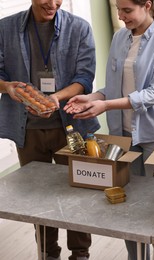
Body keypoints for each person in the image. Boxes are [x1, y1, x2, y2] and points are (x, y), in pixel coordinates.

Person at [63, 0, 154, 259]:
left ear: (147, 5)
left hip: (153, 135)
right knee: (128, 205)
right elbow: (114, 87)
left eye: (127, 10)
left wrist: (105, 105)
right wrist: (93, 97)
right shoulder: (119, 38)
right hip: (122, 136)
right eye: (118, 9)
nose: (120, 16)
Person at [0, 0, 100, 260]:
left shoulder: (79, 28)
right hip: (27, 130)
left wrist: (55, 99)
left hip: (70, 127)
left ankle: (80, 254)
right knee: (38, 198)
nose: (53, 3)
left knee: (76, 193)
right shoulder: (5, 28)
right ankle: (47, 253)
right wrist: (8, 87)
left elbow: (85, 77)